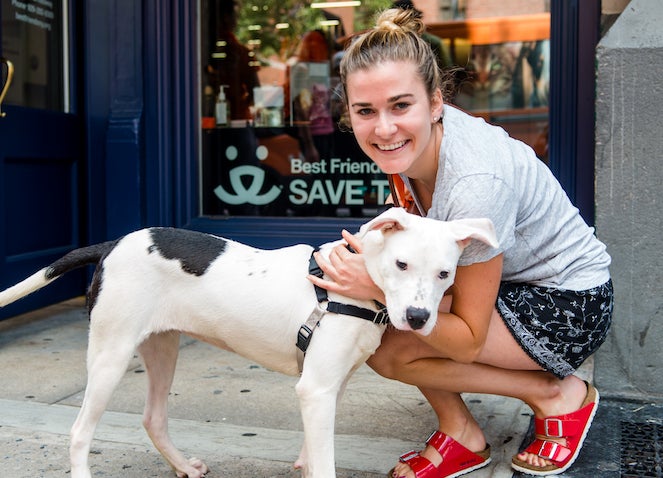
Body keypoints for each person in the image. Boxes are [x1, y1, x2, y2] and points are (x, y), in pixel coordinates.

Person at [308, 8, 613, 478]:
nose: (384, 128)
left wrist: (373, 285)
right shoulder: (414, 147)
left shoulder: (474, 182)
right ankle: (463, 434)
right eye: (365, 111)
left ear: (435, 102)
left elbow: (468, 340)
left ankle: (555, 395)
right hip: (509, 284)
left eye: (400, 105)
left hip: (568, 302)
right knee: (389, 312)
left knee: (391, 345)